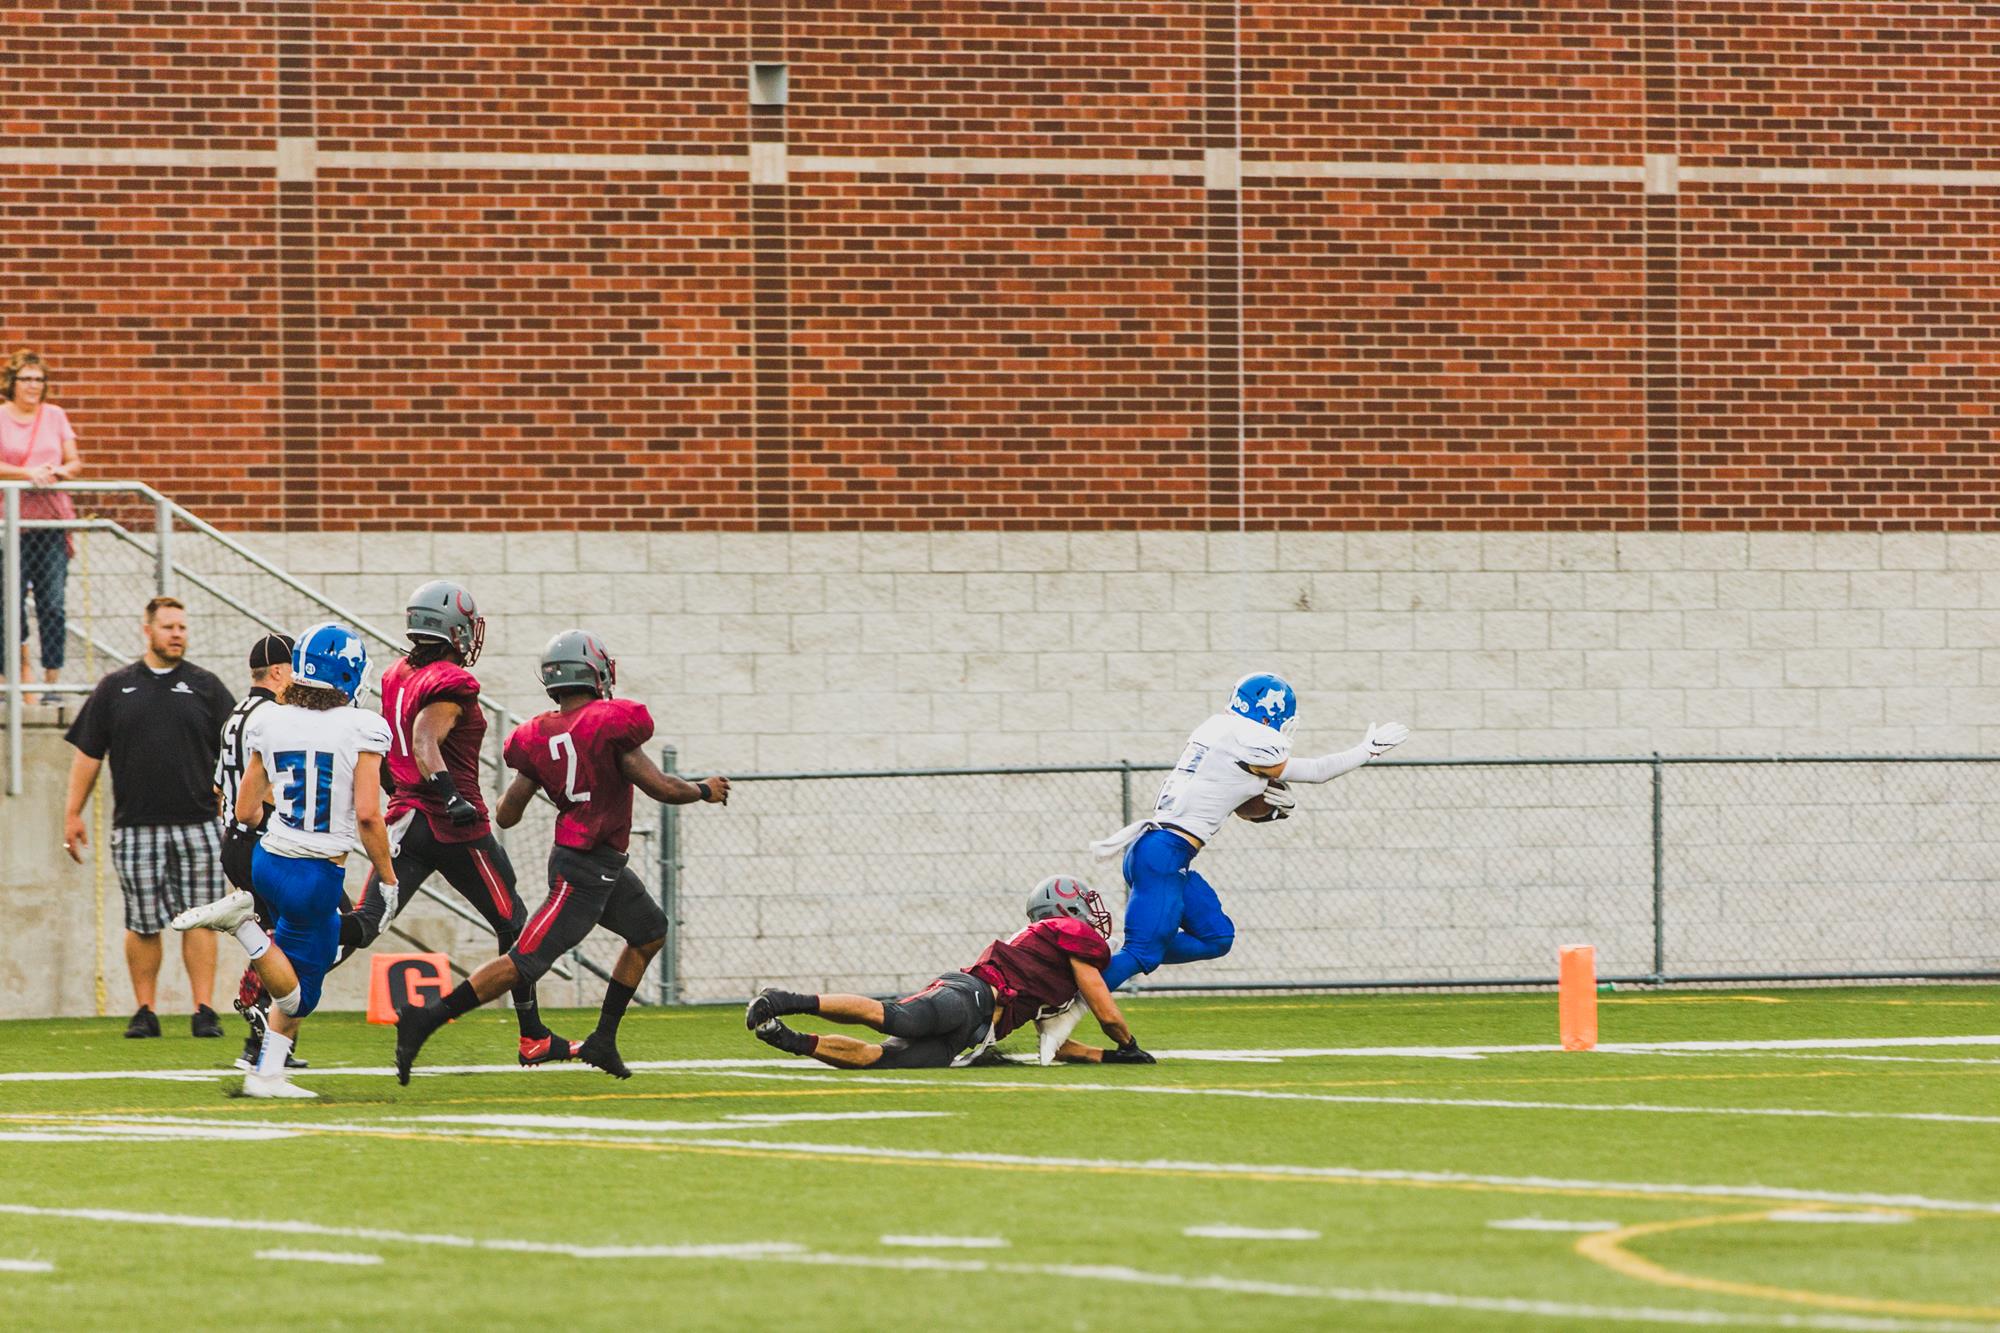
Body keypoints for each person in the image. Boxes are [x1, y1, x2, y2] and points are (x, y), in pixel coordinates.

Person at [393, 629, 730, 1085]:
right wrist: (704, 790)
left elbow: (508, 814)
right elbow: (660, 786)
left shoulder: (535, 734)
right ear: (595, 672)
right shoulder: (611, 721)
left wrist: (556, 782)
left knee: (650, 932)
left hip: (599, 865)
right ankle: (428, 1018)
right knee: (526, 961)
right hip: (583, 870)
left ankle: (603, 1039)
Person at [335, 580, 578, 1066]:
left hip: (405, 820)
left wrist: (403, 793)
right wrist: (449, 795)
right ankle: (530, 1035)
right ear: (453, 630)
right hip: (455, 826)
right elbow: (426, 740)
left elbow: (391, 753)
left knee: (363, 925)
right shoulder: (451, 680)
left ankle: (282, 957)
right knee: (514, 923)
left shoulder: (396, 674)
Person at [172, 622, 399, 1098]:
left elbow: (246, 808)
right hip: (314, 872)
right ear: (346, 675)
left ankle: (267, 1074)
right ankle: (243, 927)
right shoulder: (362, 726)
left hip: (267, 860)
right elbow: (368, 815)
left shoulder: (270, 719)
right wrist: (387, 876)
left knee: (300, 968)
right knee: (299, 994)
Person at [1087, 673, 1409, 991]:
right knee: (1142, 951)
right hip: (1164, 853)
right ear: (1271, 714)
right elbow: (1317, 771)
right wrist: (1368, 750)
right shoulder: (1252, 738)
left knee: (1216, 937)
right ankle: (1069, 1000)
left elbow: (1241, 803)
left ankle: (1115, 955)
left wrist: (1271, 810)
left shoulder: (1220, 729)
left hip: (1164, 851)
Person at [746, 874, 1154, 1070]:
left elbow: (1059, 1047)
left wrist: (1113, 1057)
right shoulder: (1072, 933)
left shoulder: (1049, 964)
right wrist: (1127, 1040)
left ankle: (786, 1037)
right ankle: (784, 999)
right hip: (970, 995)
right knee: (896, 1017)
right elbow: (1105, 1009)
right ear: (1065, 910)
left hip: (971, 1034)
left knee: (881, 1059)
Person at [63, 595, 237, 1038]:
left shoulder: (206, 686)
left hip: (199, 824)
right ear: (148, 630)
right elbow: (88, 754)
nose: (177, 634)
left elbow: (237, 752)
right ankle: (145, 1011)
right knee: (142, 921)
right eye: (168, 627)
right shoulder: (115, 687)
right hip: (136, 826)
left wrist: (235, 806)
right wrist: (72, 814)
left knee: (199, 918)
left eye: (182, 627)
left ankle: (204, 1010)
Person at [213, 632, 308, 1071]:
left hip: (236, 838)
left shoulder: (236, 713)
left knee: (286, 938)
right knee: (316, 934)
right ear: (277, 672)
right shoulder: (272, 716)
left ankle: (264, 1036)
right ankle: (257, 1011)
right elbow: (265, 789)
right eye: (295, 669)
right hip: (261, 839)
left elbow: (220, 789)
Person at [0, 350, 83, 699]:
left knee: (52, 603)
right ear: (12, 382)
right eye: (27, 379)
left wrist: (59, 472)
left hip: (50, 523)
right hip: (10, 525)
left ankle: (52, 681)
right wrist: (26, 474)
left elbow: (75, 460)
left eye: (39, 379)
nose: (34, 386)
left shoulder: (55, 415)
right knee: (8, 603)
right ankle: (7, 681)